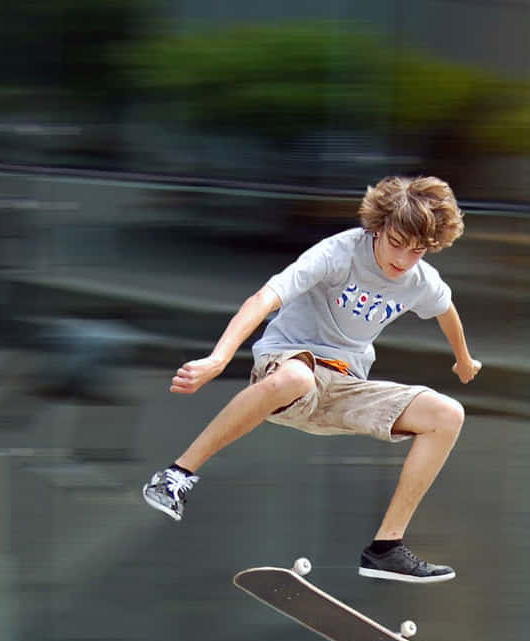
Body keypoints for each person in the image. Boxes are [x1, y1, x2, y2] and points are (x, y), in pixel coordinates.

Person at [142, 175, 481, 582]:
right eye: (396, 244)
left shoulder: (420, 280)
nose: (404, 261)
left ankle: (385, 549)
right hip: (288, 364)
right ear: (379, 226)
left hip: (344, 386)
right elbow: (265, 298)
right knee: (299, 379)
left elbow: (447, 311)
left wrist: (463, 359)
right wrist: (219, 359)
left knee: (448, 415)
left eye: (418, 251)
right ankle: (175, 476)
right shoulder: (339, 252)